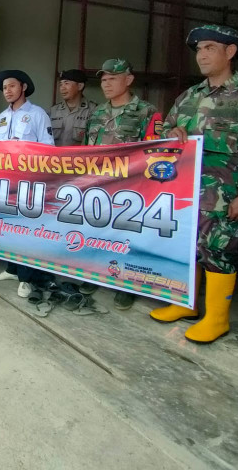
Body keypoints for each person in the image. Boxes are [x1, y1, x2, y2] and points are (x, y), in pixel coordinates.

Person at [149, 25, 238, 344]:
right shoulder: (190, 96)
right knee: (186, 248)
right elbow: (165, 128)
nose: (201, 55)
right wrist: (173, 132)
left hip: (224, 195)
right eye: (198, 50)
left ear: (230, 52)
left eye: (209, 48)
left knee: (215, 251)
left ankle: (216, 319)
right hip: (185, 191)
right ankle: (185, 305)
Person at [82, 59, 162, 310]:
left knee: (127, 237)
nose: (106, 84)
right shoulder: (97, 112)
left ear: (128, 80)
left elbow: (155, 153)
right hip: (99, 186)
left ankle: (126, 284)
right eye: (103, 79)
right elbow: (86, 149)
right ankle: (95, 274)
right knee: (97, 232)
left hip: (131, 189)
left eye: (112, 79)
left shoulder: (147, 112)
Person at [0, 70, 54, 299]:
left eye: (12, 86)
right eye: (4, 87)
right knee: (8, 225)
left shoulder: (37, 114)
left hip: (29, 182)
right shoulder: (2, 117)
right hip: (6, 182)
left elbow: (49, 148)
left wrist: (24, 149)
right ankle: (12, 269)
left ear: (23, 87)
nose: (7, 91)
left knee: (25, 229)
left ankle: (26, 279)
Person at [50, 69, 97, 146]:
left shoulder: (93, 110)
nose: (62, 88)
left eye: (66, 83)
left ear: (80, 86)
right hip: (56, 157)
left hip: (79, 157)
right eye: (61, 84)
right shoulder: (53, 111)